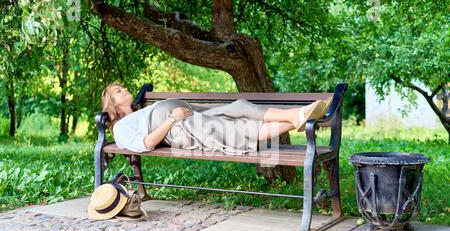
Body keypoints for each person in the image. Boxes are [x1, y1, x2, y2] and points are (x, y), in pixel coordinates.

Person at [101, 82, 332, 155]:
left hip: (182, 115)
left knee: (238, 107)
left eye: (122, 87)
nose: (124, 90)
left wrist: (175, 114)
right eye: (118, 91)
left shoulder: (138, 110)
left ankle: (296, 115)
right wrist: (172, 120)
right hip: (178, 127)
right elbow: (147, 144)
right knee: (235, 129)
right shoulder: (121, 128)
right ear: (113, 104)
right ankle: (299, 118)